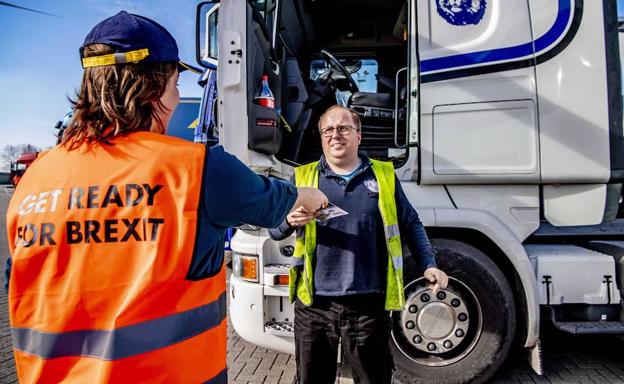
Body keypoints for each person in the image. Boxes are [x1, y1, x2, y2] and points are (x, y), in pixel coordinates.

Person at [5, 11, 327, 384]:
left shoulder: (36, 177)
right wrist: (315, 194)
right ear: (153, 86)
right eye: (175, 82)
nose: (176, 96)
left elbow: (20, 285)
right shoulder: (196, 170)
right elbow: (285, 203)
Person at [269, 105, 449, 384]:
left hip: (368, 306)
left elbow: (411, 222)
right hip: (315, 305)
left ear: (358, 136)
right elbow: (275, 231)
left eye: (343, 128)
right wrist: (289, 221)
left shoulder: (383, 176)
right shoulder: (302, 177)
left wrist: (429, 264)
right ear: (321, 137)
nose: (335, 135)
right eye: (328, 129)